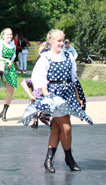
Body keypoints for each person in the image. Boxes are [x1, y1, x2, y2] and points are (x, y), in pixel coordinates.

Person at [21, 29, 93, 173]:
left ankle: (48, 159)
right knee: (66, 127)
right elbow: (39, 81)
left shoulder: (68, 57)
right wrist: (48, 98)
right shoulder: (45, 58)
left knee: (57, 128)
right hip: (54, 96)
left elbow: (73, 78)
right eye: (59, 41)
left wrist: (78, 97)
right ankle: (69, 158)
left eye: (63, 40)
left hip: (68, 95)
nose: (62, 43)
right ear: (51, 41)